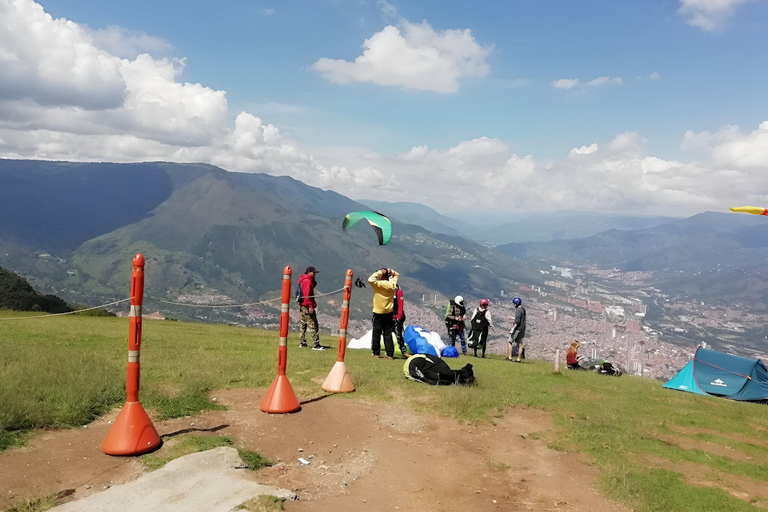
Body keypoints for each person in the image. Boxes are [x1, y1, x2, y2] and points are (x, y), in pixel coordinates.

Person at [368, 268, 400, 359]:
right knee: (387, 333)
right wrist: (391, 271)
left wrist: (380, 272)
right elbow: (397, 275)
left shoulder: (378, 284)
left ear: (381, 276)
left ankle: (376, 352)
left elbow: (370, 279)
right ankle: (389, 354)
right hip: (388, 312)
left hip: (378, 311)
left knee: (376, 333)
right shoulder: (392, 284)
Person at [298, 266, 325, 350]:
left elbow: (314, 284)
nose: (315, 275)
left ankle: (302, 342)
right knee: (313, 324)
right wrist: (310, 306)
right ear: (309, 272)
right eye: (313, 273)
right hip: (306, 305)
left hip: (302, 305)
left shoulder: (304, 280)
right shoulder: (307, 281)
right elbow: (307, 295)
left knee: (303, 324)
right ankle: (316, 344)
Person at [507, 297, 526, 362]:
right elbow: (520, 318)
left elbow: (517, 322)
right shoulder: (523, 309)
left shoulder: (518, 310)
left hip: (517, 329)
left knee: (510, 341)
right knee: (520, 344)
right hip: (522, 329)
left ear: (516, 304)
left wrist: (512, 329)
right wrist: (512, 318)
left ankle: (510, 357)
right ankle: (519, 359)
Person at [392, 284, 408, 356]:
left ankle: (403, 351)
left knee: (398, 334)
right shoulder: (386, 290)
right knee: (386, 334)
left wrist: (399, 317)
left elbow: (400, 305)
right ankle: (389, 351)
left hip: (397, 316)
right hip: (388, 315)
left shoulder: (398, 291)